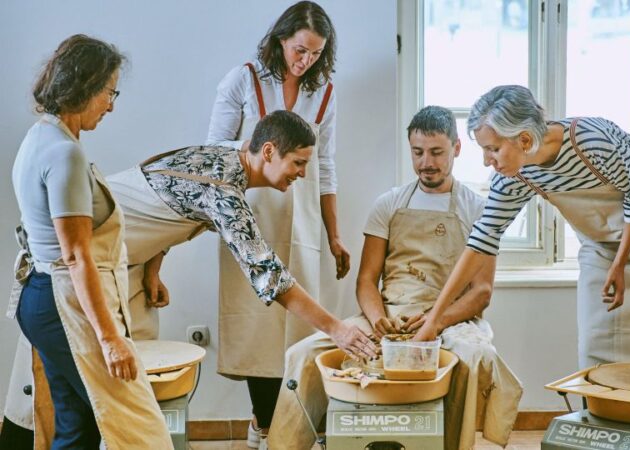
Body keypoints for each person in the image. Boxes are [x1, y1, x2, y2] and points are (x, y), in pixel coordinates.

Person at [2, 111, 378, 449]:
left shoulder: (228, 154)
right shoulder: (224, 191)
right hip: (81, 269)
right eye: (298, 163)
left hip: (120, 262)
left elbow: (166, 196)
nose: (302, 173)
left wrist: (152, 266)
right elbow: (269, 274)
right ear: (267, 151)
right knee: (85, 401)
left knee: (93, 405)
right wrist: (336, 329)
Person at [267, 106, 523, 450]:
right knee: (304, 353)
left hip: (448, 320)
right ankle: (284, 446)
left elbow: (481, 292)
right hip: (388, 315)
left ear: (457, 148)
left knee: (477, 357)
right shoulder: (389, 203)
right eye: (418, 152)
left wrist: (434, 322)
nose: (426, 162)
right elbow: (367, 281)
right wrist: (378, 320)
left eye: (436, 152)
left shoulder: (477, 208)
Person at [415, 85, 630, 368]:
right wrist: (433, 321)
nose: (486, 161)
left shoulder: (595, 140)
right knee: (597, 350)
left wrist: (620, 265)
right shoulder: (514, 175)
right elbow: (481, 240)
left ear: (523, 139)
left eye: (492, 149)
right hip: (603, 250)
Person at [6, 34, 173, 449]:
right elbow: (77, 254)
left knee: (77, 424)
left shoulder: (39, 137)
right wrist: (111, 340)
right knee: (140, 431)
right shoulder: (64, 152)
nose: (111, 104)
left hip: (41, 298)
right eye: (108, 91)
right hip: (63, 304)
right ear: (83, 85)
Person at [205, 2, 345, 444]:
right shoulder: (242, 80)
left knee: (299, 323)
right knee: (255, 321)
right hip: (247, 212)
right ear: (282, 39)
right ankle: (262, 423)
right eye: (300, 50)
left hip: (299, 215)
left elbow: (325, 165)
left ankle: (296, 424)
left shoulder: (324, 94)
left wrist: (334, 233)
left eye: (316, 54)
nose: (305, 61)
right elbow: (214, 152)